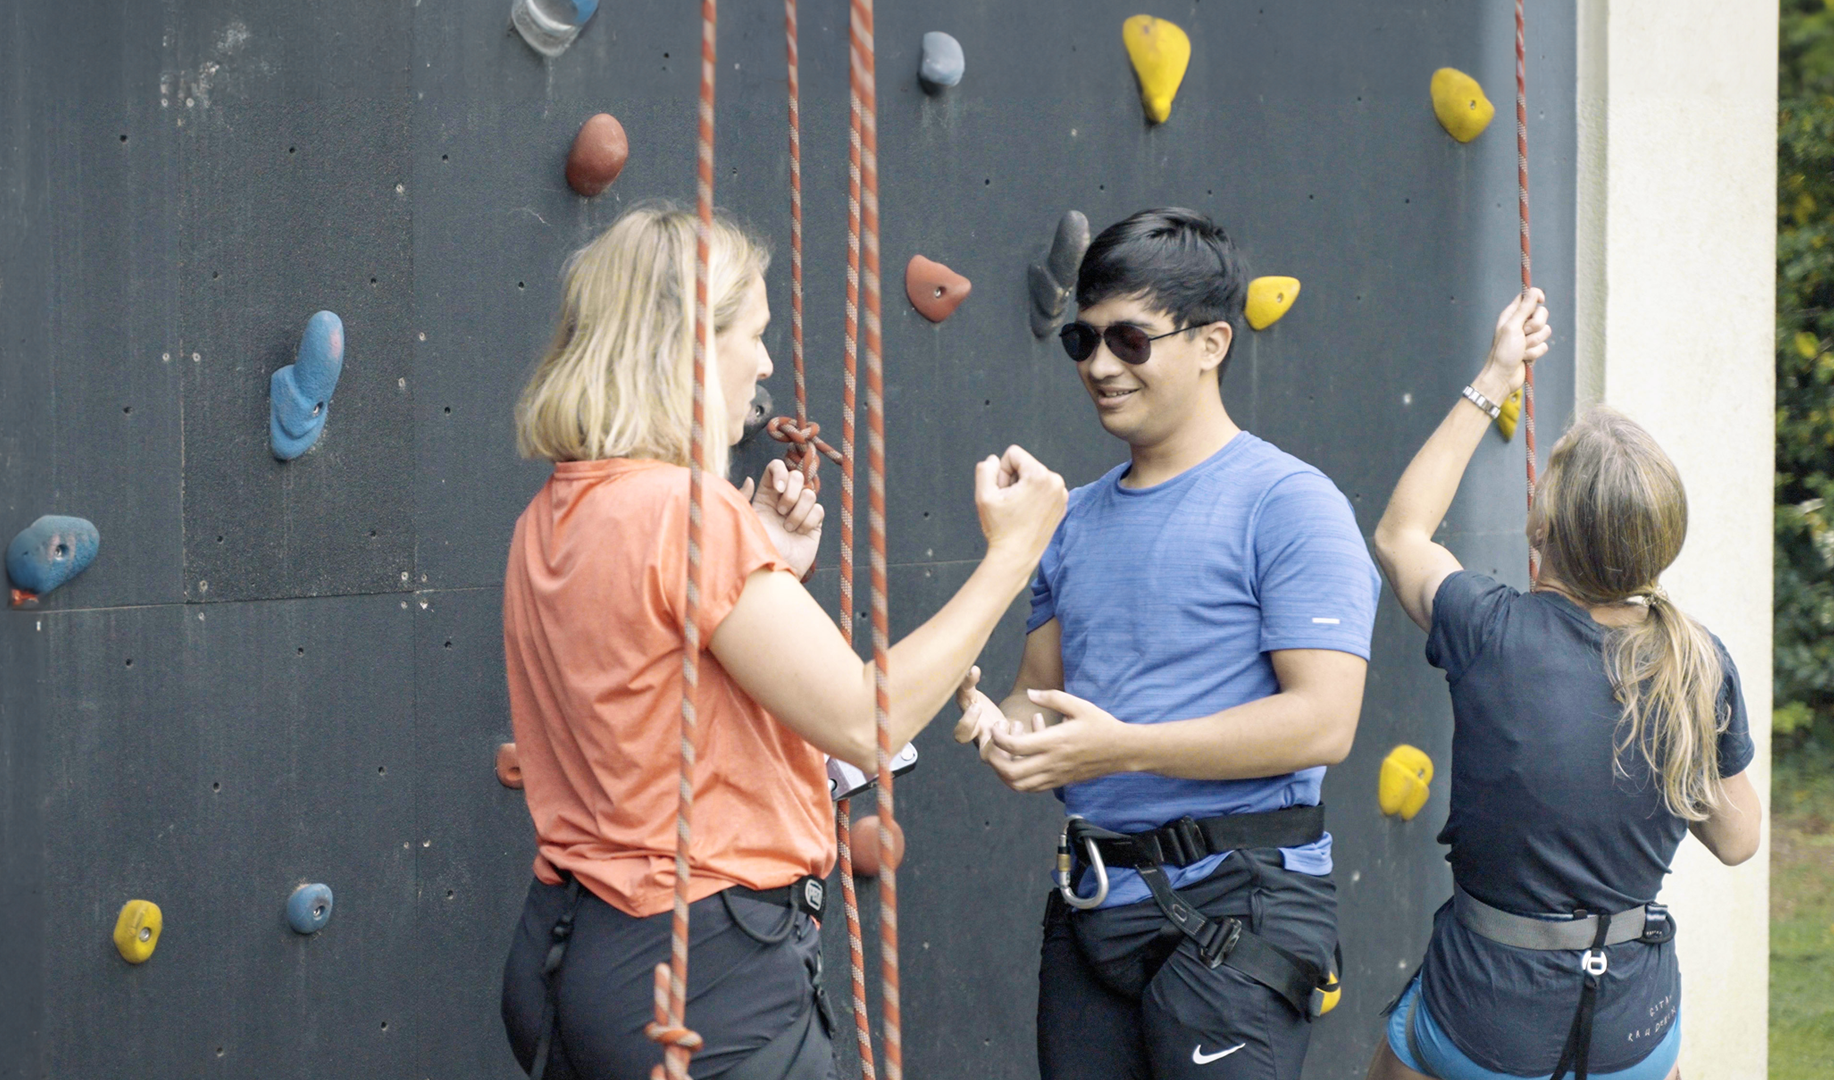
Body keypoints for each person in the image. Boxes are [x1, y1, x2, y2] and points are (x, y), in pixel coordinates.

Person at [497, 201, 1068, 1080]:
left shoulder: (561, 509)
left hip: (578, 951)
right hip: (705, 973)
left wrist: (764, 562)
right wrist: (1014, 554)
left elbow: (657, 679)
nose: (765, 363)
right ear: (686, 347)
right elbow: (867, 724)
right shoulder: (687, 512)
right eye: (753, 335)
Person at [954, 208, 1381, 1080]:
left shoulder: (1289, 503)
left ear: (1212, 342)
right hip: (1093, 906)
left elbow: (1323, 724)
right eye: (1083, 339)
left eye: (1130, 341)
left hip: (1238, 904)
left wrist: (1124, 749)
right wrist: (1001, 728)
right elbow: (1040, 691)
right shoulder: (1068, 517)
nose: (1100, 365)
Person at [1366, 289, 1762, 1080]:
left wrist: (1495, 378)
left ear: (1539, 529)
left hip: (1481, 1026)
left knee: (1400, 1051)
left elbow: (1399, 533)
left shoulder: (1489, 628)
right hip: (1632, 1038)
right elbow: (1739, 839)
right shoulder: (1698, 661)